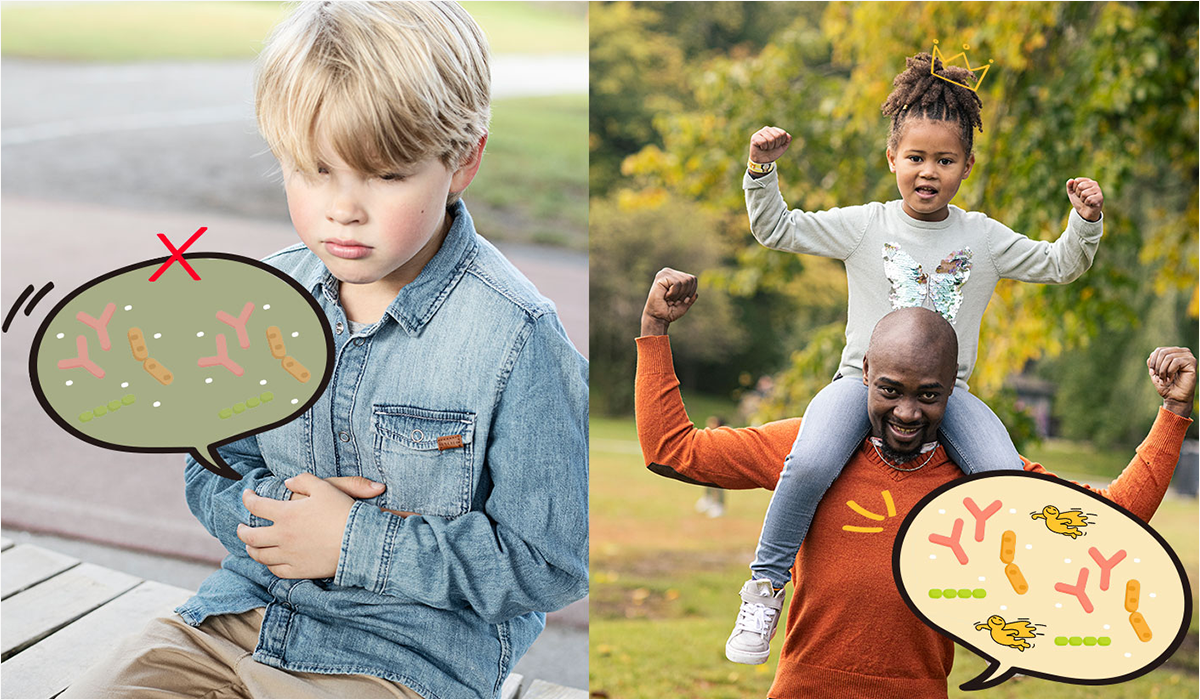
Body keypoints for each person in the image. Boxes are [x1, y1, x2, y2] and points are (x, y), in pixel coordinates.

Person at [60, 3, 588, 698]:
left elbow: (549, 562)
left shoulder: (518, 338)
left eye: (387, 175)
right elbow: (210, 465)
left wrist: (353, 540)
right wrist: (282, 512)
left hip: (408, 659)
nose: (343, 208)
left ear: (462, 161)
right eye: (313, 170)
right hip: (237, 621)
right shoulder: (260, 297)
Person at [636, 267, 1194, 698]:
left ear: (953, 390)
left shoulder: (987, 478)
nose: (906, 412)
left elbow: (1115, 519)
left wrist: (1172, 411)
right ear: (864, 379)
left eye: (928, 395)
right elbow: (671, 451)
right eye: (889, 390)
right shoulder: (811, 449)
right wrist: (655, 330)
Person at [730, 51, 1108, 663]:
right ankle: (766, 584)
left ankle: (999, 615)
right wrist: (761, 169)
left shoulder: (982, 237)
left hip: (946, 396)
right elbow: (777, 229)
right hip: (862, 383)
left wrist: (1084, 222)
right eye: (915, 158)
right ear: (891, 160)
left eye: (944, 160)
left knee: (1004, 482)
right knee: (806, 464)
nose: (927, 172)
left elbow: (1061, 264)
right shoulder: (865, 225)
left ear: (966, 167)